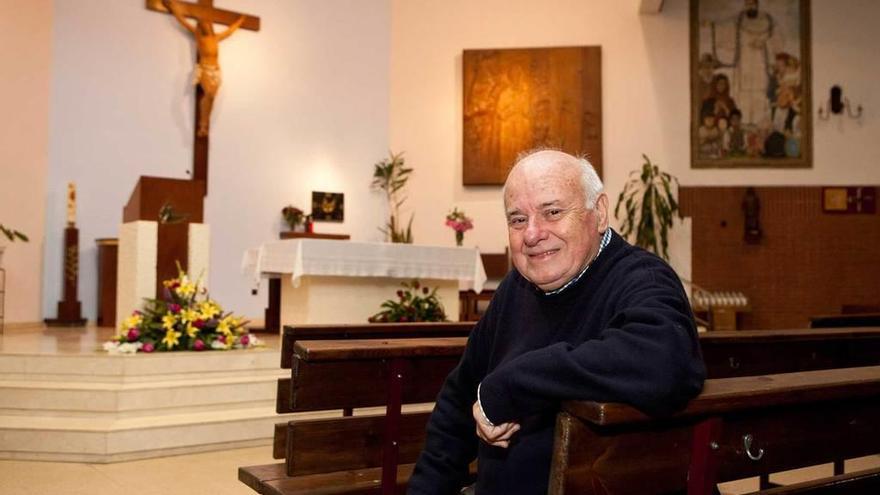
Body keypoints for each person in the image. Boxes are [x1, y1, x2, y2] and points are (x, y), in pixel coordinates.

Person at [407, 150, 706, 494]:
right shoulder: (514, 289)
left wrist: (514, 384)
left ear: (600, 213)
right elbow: (458, 404)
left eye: (552, 212)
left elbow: (664, 362)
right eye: (518, 220)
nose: (532, 234)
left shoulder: (642, 278)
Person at [164, 0, 245, 137]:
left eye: (207, 24)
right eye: (203, 24)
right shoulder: (199, 37)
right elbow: (183, 22)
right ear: (201, 27)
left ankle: (205, 124)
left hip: (216, 71)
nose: (206, 26)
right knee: (209, 94)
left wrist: (241, 21)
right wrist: (174, 9)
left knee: (212, 97)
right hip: (205, 69)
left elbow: (230, 31)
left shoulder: (216, 38)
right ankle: (203, 125)